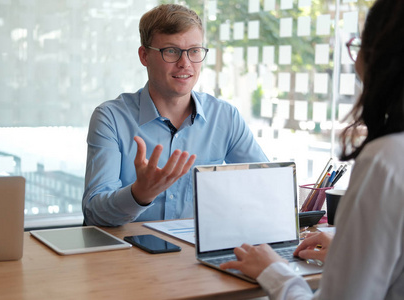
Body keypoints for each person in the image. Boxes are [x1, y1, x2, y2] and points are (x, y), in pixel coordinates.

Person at [220, 0, 404, 299]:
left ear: (378, 58)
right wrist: (347, 254)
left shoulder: (386, 159)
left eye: (359, 45)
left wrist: (272, 269)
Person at [82, 4, 268, 227]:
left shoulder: (225, 117)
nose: (185, 63)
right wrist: (139, 194)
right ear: (144, 56)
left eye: (194, 51)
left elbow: (265, 185)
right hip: (128, 255)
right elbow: (94, 213)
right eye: (171, 50)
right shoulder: (110, 118)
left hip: (195, 255)